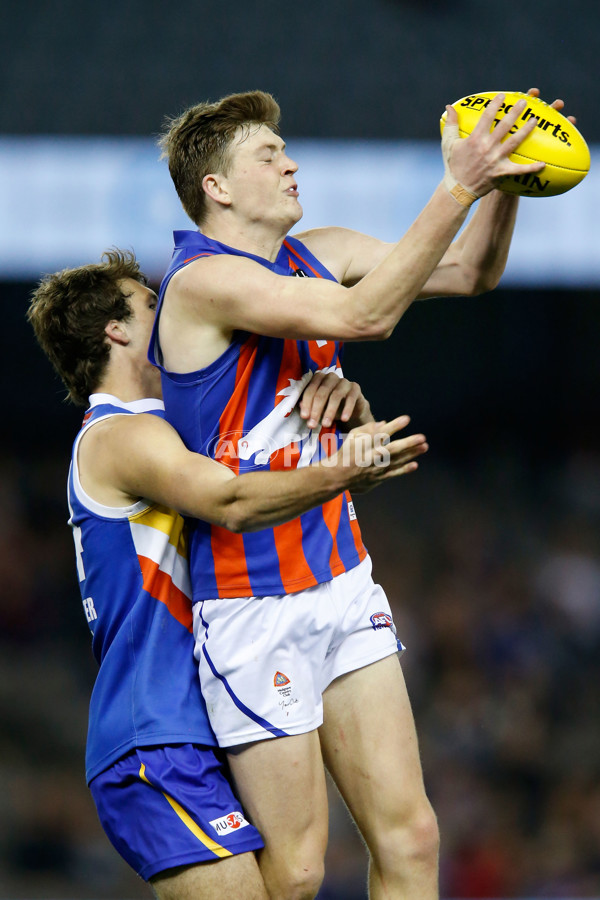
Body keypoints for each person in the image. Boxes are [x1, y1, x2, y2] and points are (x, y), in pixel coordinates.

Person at [150, 88, 575, 900]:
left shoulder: (323, 249)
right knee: (300, 870)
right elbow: (366, 318)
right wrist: (458, 182)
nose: (291, 162)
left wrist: (501, 187)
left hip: (343, 581)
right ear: (218, 188)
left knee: (411, 836)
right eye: (268, 156)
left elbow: (471, 274)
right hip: (252, 602)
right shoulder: (200, 282)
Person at [27, 249, 428, 900]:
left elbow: (275, 485)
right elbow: (234, 501)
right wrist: (343, 470)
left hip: (213, 713)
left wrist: (337, 414)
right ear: (116, 330)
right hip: (155, 735)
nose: (170, 314)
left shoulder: (180, 429)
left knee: (300, 877)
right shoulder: (116, 436)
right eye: (152, 304)